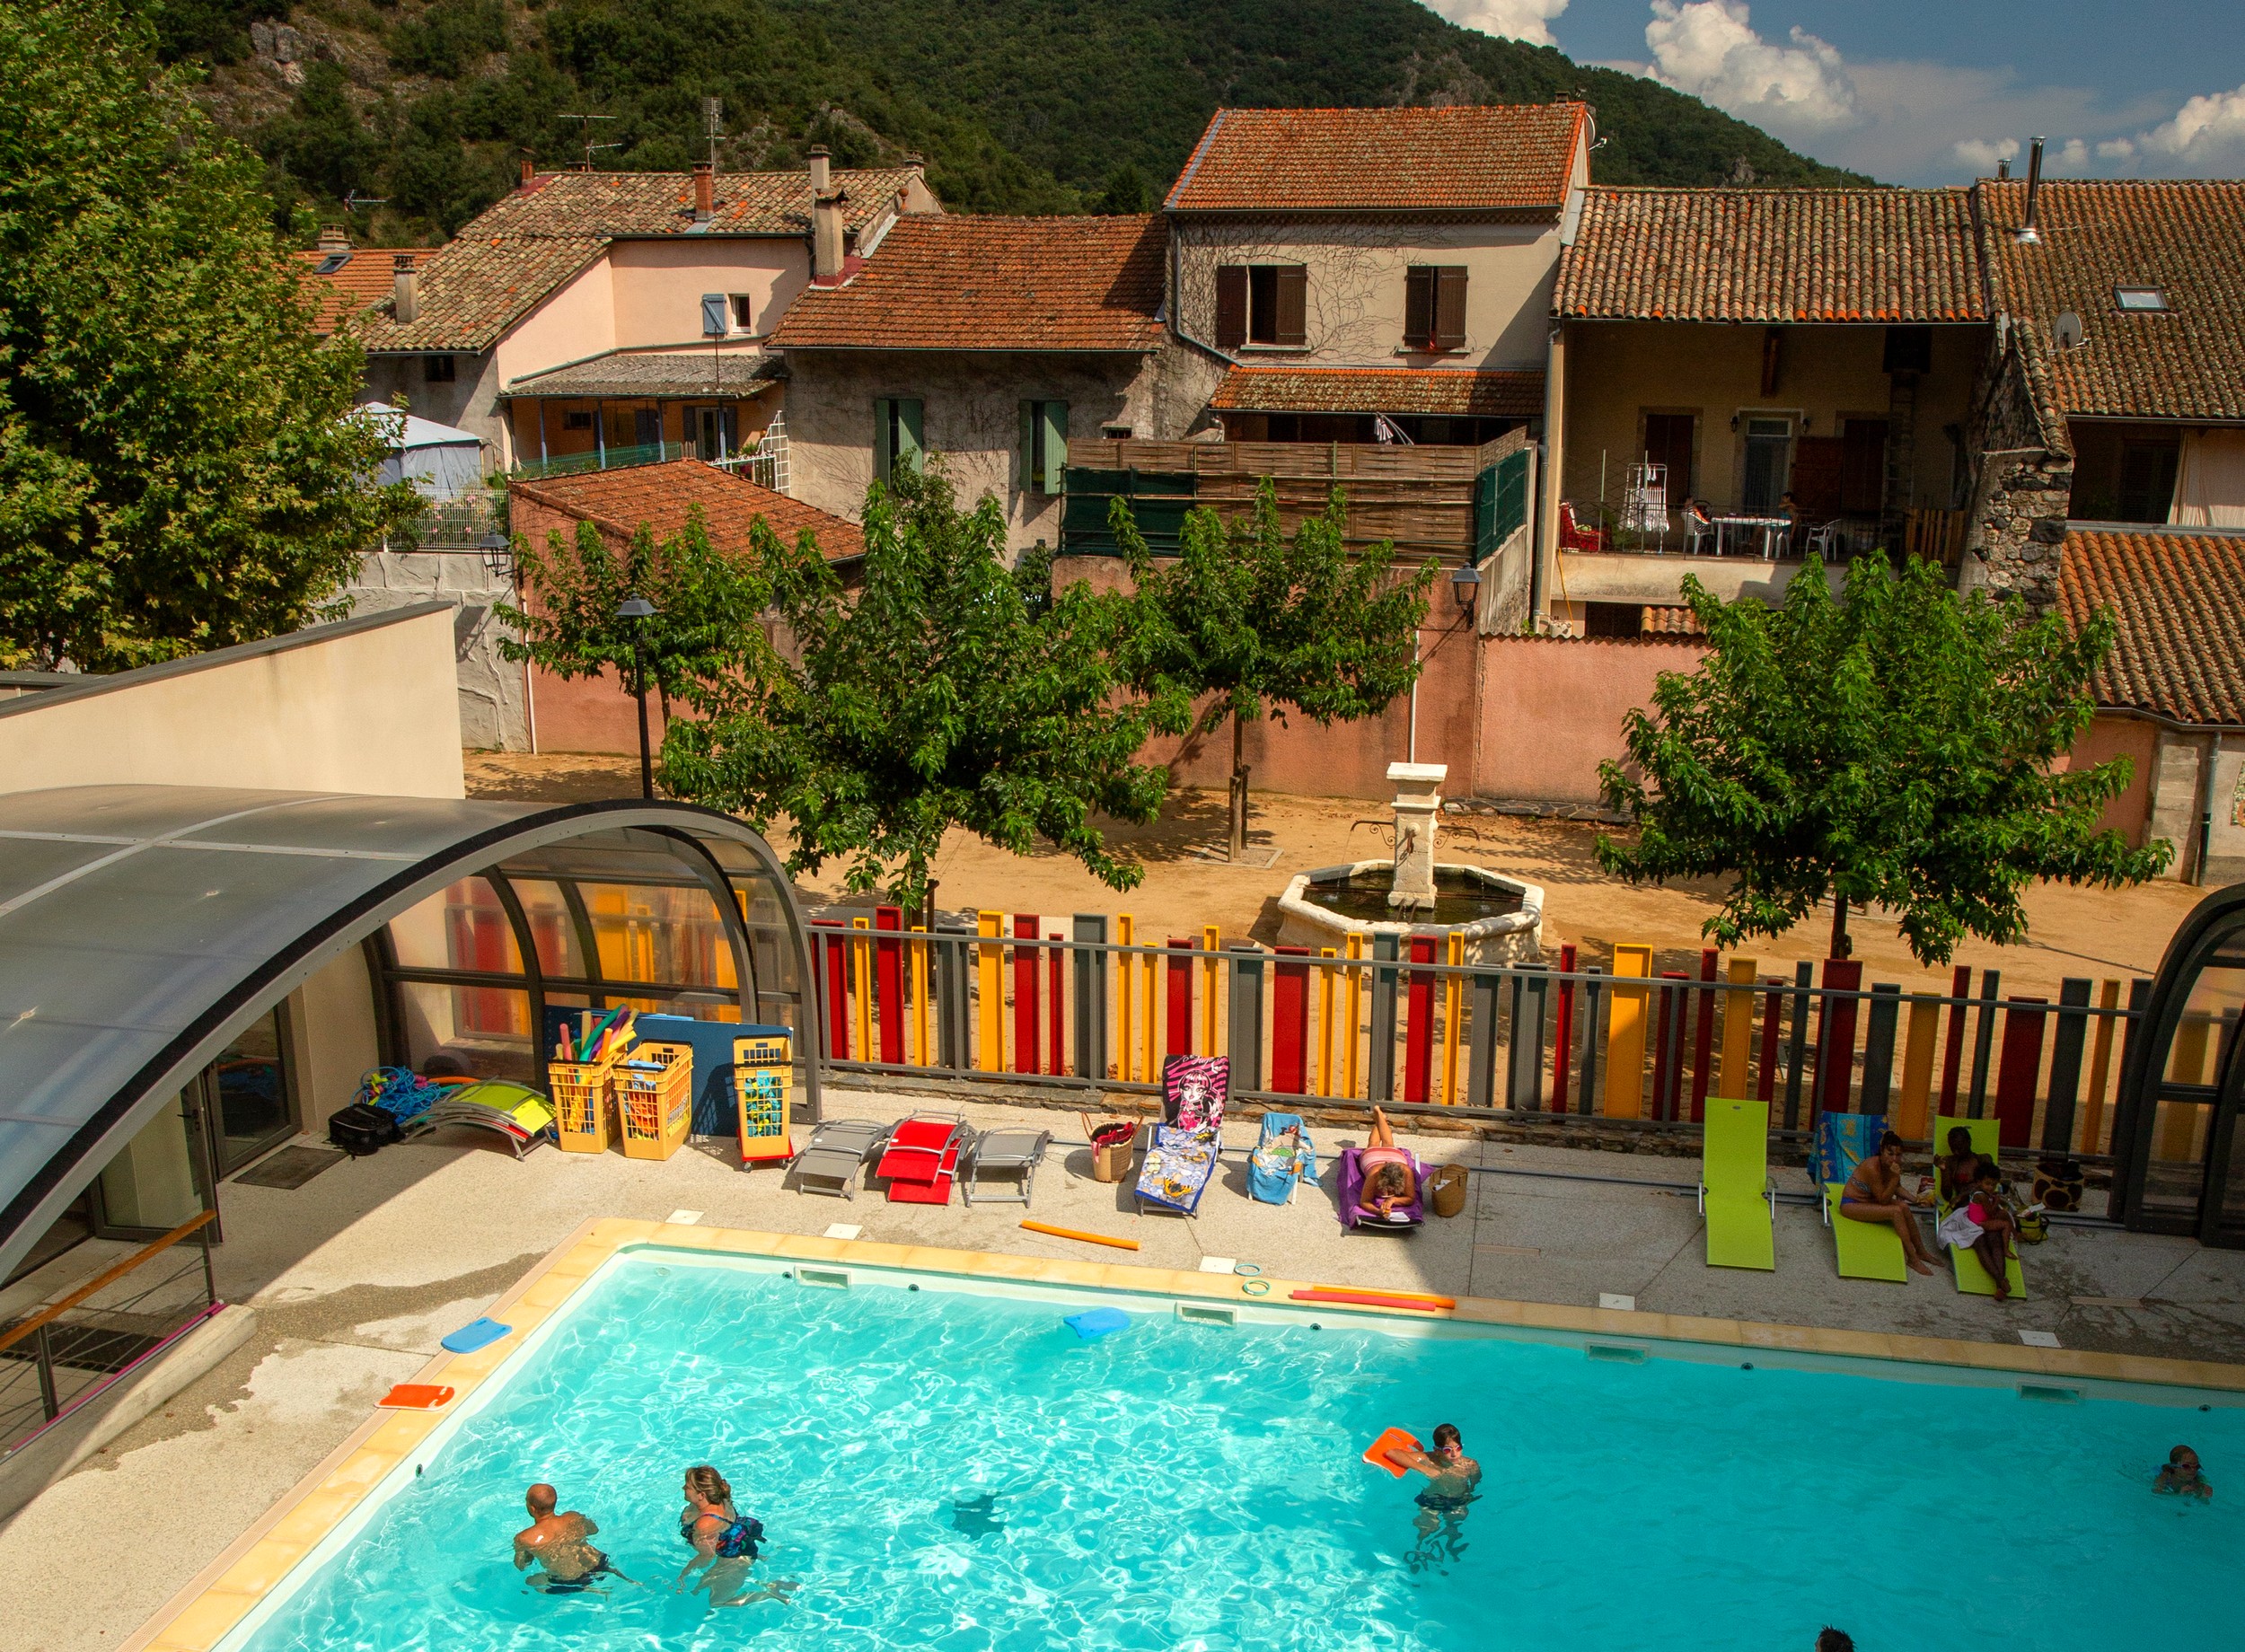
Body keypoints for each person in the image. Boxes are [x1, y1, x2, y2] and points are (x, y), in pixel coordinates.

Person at [675, 1465, 791, 1608]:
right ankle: (765, 1578)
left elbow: (707, 1556)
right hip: (742, 1545)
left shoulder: (705, 1523)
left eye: (687, 1487)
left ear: (701, 1495)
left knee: (716, 1602)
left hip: (734, 1559)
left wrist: (685, 1572)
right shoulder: (722, 1500)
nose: (683, 1488)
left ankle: (770, 1593)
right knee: (705, 1586)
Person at [1840, 1130, 1939, 1277]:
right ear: (1882, 1151)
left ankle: (1921, 1251)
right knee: (1895, 1212)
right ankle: (1912, 1259)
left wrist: (1916, 1200)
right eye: (1890, 1153)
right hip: (1852, 1204)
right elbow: (1883, 1199)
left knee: (1904, 1206)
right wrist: (1895, 1176)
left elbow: (1896, 1188)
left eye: (1898, 1155)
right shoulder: (1872, 1167)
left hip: (1870, 1200)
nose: (1894, 1159)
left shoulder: (1890, 1167)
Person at [514, 1482, 629, 1595]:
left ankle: (589, 1590)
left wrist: (530, 1552)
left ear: (532, 1508)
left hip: (571, 1580)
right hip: (599, 1562)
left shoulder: (524, 1538)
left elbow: (521, 1566)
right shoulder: (573, 1516)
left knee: (531, 1581)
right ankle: (629, 1581)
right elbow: (594, 1531)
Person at [1936, 1156, 2017, 1302]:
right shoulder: (1981, 1194)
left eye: (1993, 1185)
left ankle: (2000, 1287)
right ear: (1979, 1182)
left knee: (1996, 1242)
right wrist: (1997, 1200)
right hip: (1973, 1222)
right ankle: (2000, 1280)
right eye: (1988, 1184)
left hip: (1984, 1219)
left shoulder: (1982, 1189)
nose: (1991, 1188)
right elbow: (1990, 1210)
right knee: (1981, 1244)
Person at [1357, 1107, 1417, 1221]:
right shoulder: (1374, 1173)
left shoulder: (1406, 1171)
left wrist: (1393, 1200)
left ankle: (1380, 1117)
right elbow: (1364, 1202)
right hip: (1373, 1157)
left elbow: (1411, 1198)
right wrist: (1378, 1212)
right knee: (1376, 1144)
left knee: (1384, 1143)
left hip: (1393, 1156)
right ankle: (1380, 1117)